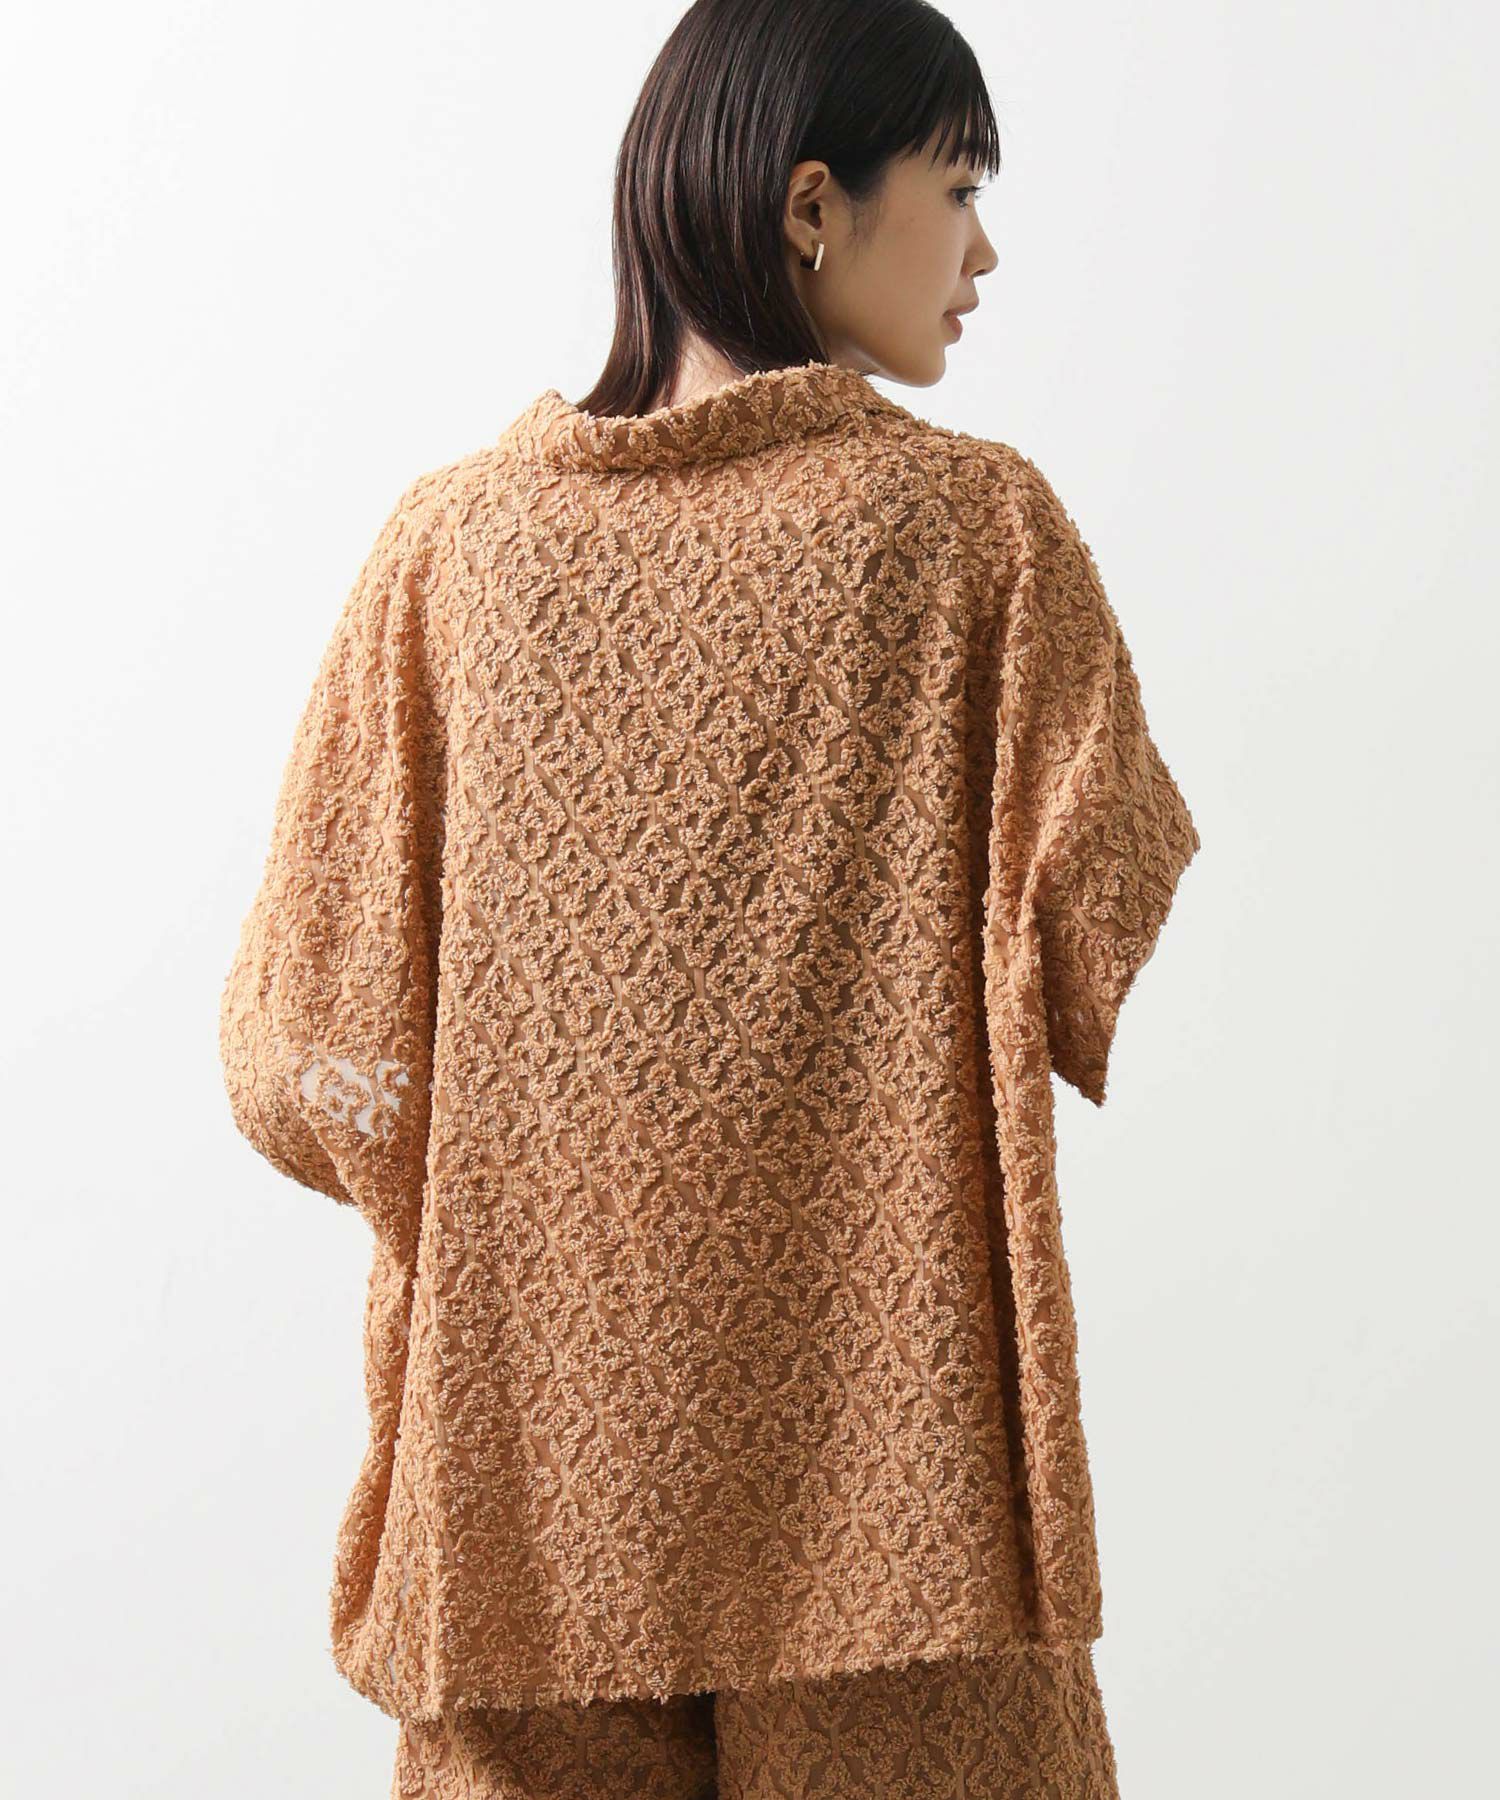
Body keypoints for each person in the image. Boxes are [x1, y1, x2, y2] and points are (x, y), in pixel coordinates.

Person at [219, 1, 1201, 1794]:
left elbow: (305, 1048)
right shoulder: (976, 536)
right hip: (897, 1491)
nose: (985, 253)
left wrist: (524, 1230)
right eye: (960, 189)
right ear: (812, 204)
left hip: (523, 1498)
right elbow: (1098, 911)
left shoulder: (451, 553)